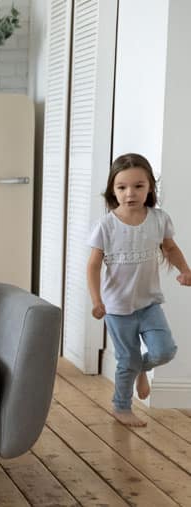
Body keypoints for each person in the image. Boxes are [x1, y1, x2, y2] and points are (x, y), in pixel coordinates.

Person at [87, 153, 191, 427]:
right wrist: (97, 300)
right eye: (122, 187)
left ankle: (141, 368)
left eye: (138, 186)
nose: (130, 193)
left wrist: (185, 270)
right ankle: (121, 407)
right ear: (113, 189)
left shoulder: (158, 219)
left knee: (164, 351)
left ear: (149, 188)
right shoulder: (106, 226)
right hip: (117, 308)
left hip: (149, 304)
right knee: (126, 359)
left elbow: (170, 248)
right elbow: (93, 266)